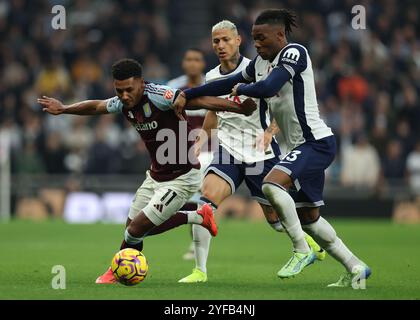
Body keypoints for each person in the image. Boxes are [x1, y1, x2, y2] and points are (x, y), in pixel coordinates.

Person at [174, 9, 371, 287]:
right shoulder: (259, 64)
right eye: (255, 39)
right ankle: (356, 267)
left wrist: (242, 91)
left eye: (262, 38)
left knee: (271, 186)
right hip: (286, 149)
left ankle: (301, 250)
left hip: (314, 142)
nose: (258, 44)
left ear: (280, 35)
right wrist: (187, 94)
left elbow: (268, 88)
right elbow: (225, 84)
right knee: (310, 219)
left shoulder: (294, 53)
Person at [38, 58, 257, 284]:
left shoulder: (160, 96)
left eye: (129, 90)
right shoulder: (123, 103)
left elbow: (198, 100)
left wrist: (238, 108)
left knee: (136, 230)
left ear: (141, 83)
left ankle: (197, 215)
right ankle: (121, 267)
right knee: (130, 231)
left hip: (182, 178)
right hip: (155, 176)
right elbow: (96, 106)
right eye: (119, 90)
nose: (124, 96)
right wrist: (64, 109)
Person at [167, 48, 209, 260]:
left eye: (197, 59)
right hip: (181, 152)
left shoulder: (212, 86)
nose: (193, 63)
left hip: (210, 151)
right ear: (184, 63)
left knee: (204, 199)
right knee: (190, 201)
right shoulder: (174, 87)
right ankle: (195, 243)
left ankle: (197, 246)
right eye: (189, 59)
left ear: (202, 64)